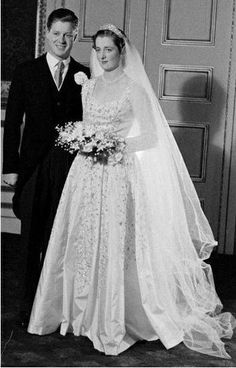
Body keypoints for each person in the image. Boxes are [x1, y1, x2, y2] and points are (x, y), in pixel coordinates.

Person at [27, 24, 235, 358]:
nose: (103, 56)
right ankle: (76, 313)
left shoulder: (134, 88)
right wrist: (84, 139)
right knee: (80, 238)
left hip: (117, 172)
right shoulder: (89, 87)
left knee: (113, 242)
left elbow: (150, 137)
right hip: (85, 174)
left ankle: (112, 317)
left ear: (121, 51)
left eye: (108, 49)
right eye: (98, 50)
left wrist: (113, 144)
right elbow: (86, 125)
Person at [2, 8, 90, 325]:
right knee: (30, 239)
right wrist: (9, 168)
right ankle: (27, 306)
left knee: (60, 237)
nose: (62, 40)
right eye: (57, 34)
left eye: (68, 35)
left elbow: (89, 122)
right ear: (47, 34)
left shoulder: (85, 75)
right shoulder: (26, 71)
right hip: (33, 168)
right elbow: (12, 124)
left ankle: (55, 304)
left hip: (69, 169)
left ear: (75, 36)